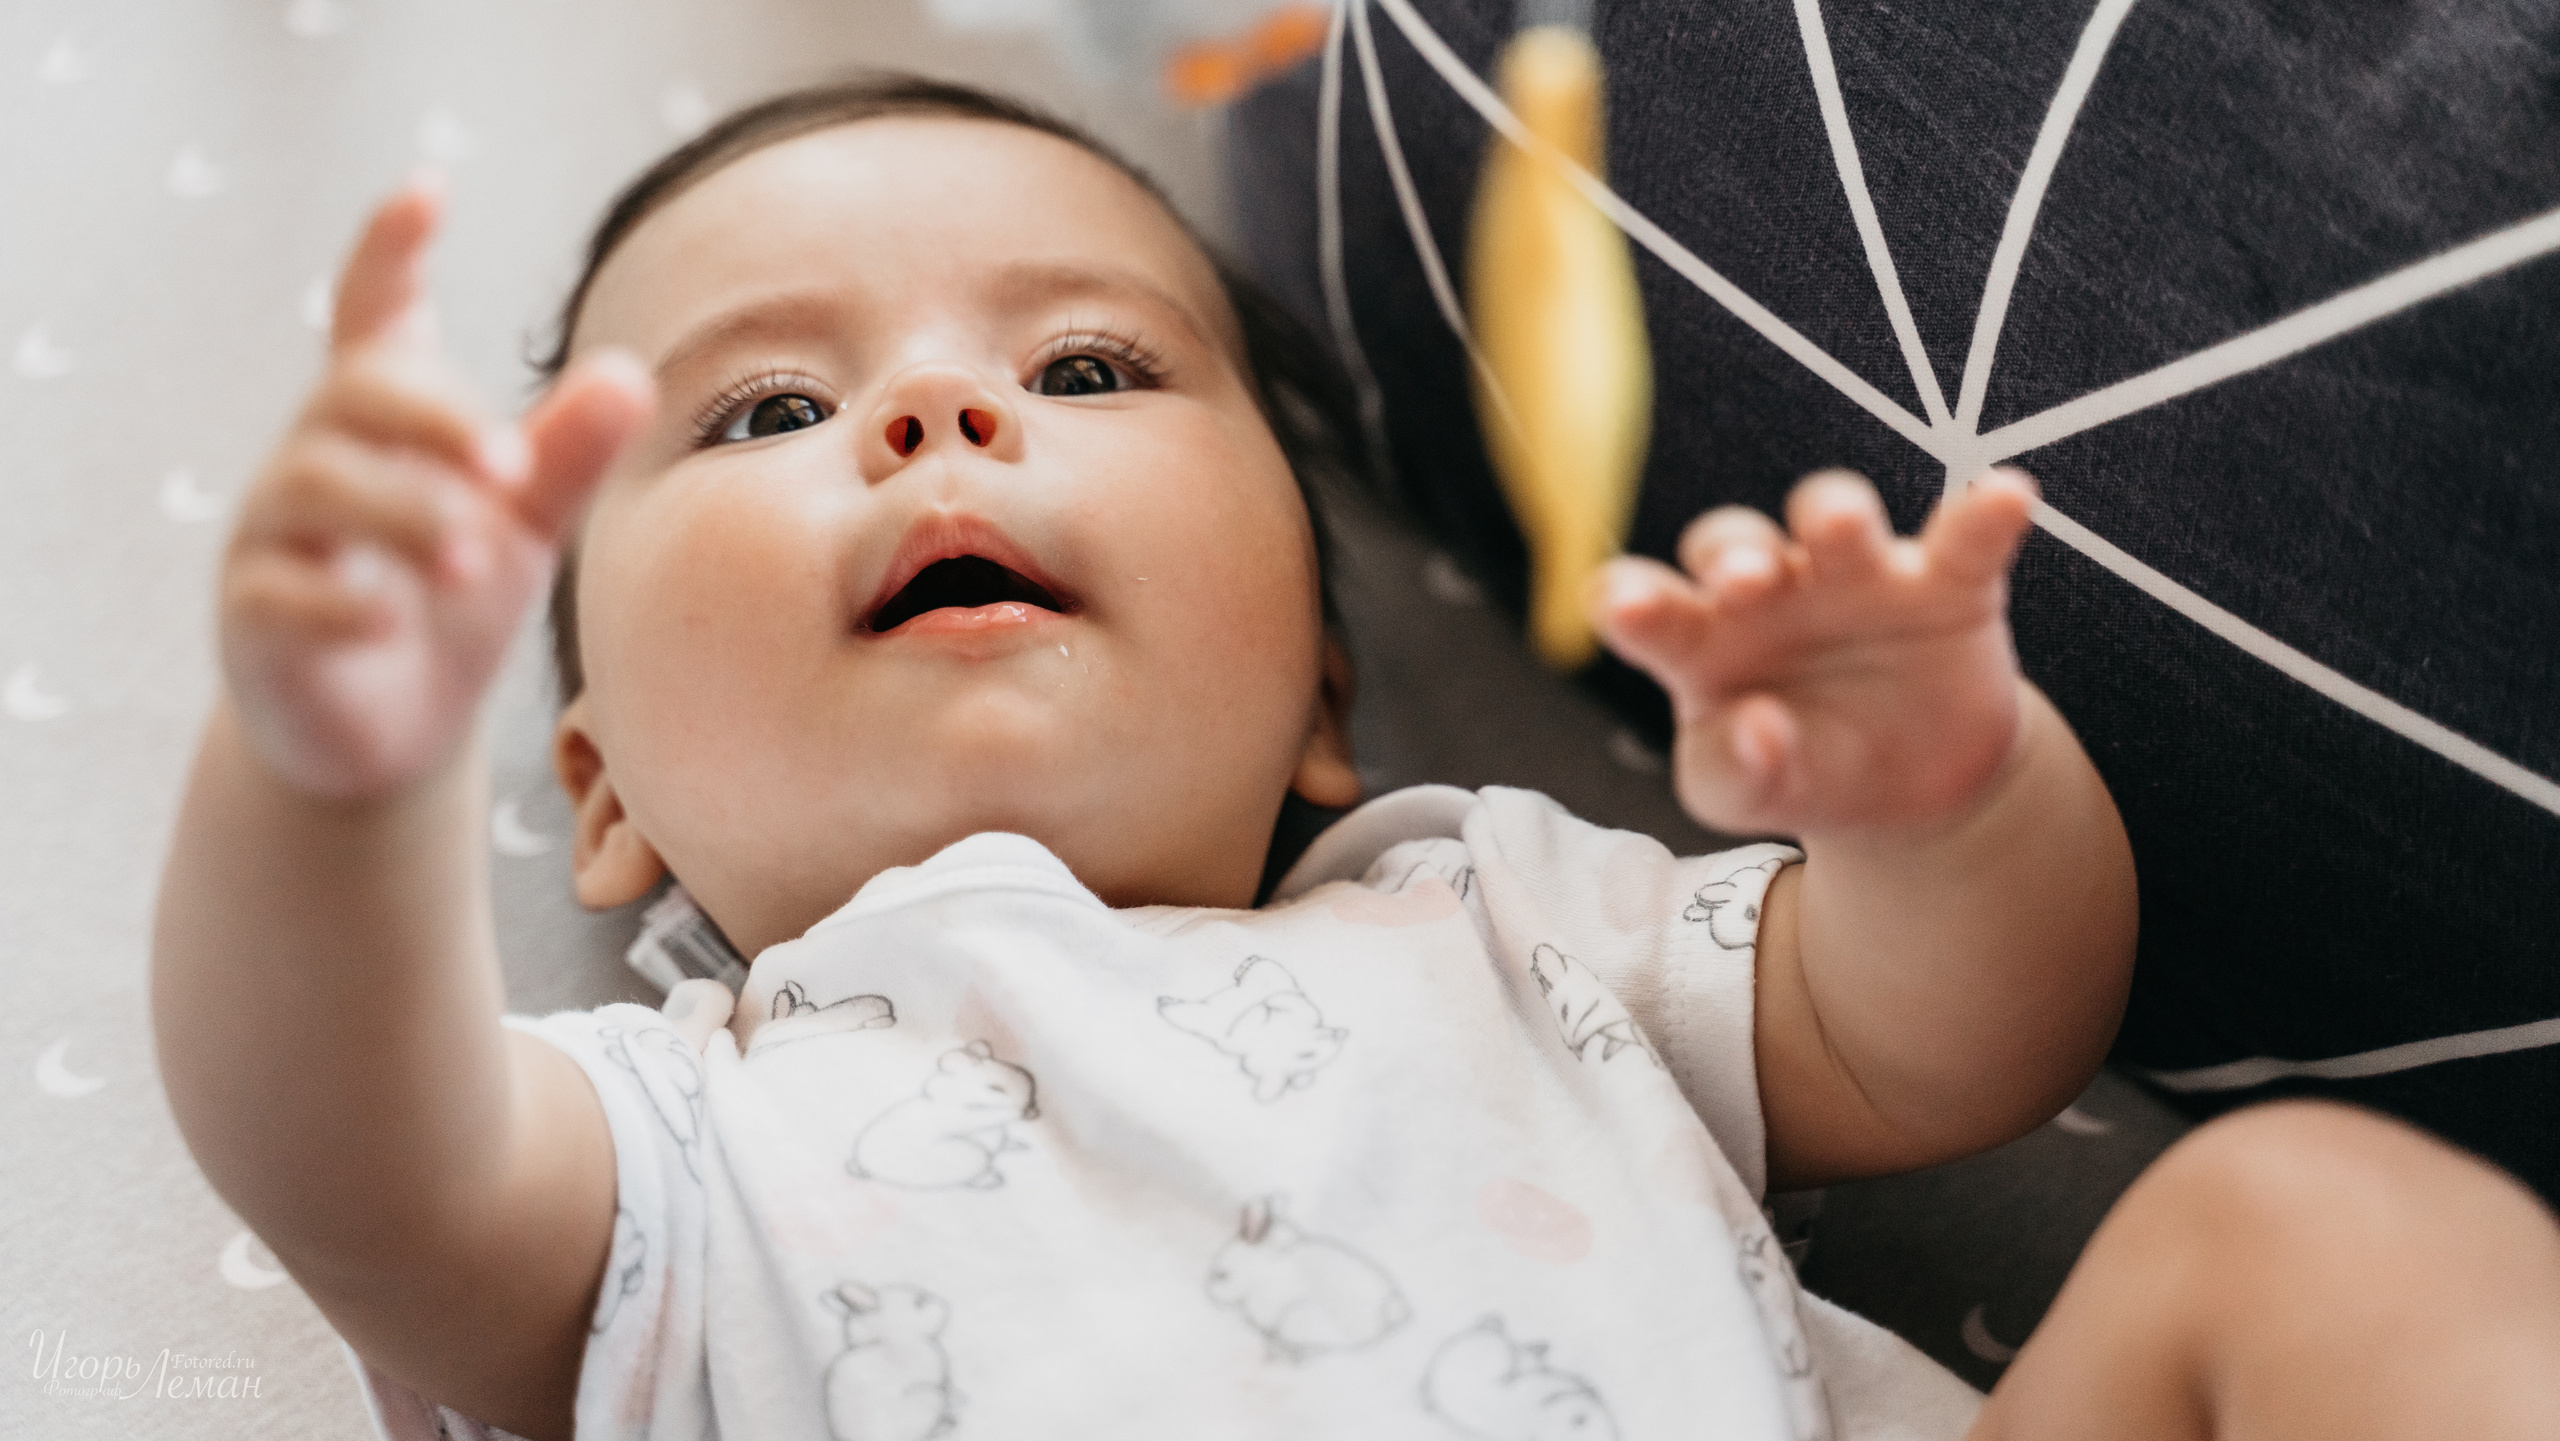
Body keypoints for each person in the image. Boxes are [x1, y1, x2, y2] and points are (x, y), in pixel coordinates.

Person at [151, 77, 2560, 1441]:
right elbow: (343, 1155)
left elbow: (1950, 1036)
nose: (934, 410)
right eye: (771, 410)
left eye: (1088, 368)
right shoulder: (674, 1135)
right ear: (600, 796)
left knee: (2306, 1224)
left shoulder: (1487, 910)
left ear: (1318, 673)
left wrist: (1937, 798)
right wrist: (317, 785)